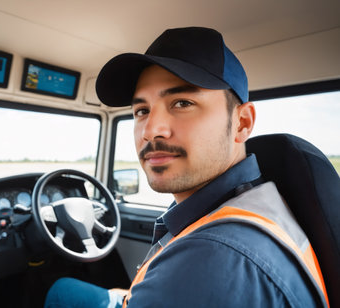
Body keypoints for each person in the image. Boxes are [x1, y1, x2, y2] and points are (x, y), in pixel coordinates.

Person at [44, 27, 328, 307]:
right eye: (142, 110)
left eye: (182, 103)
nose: (151, 130)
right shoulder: (254, 198)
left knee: (58, 291)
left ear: (242, 123)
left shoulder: (210, 263)